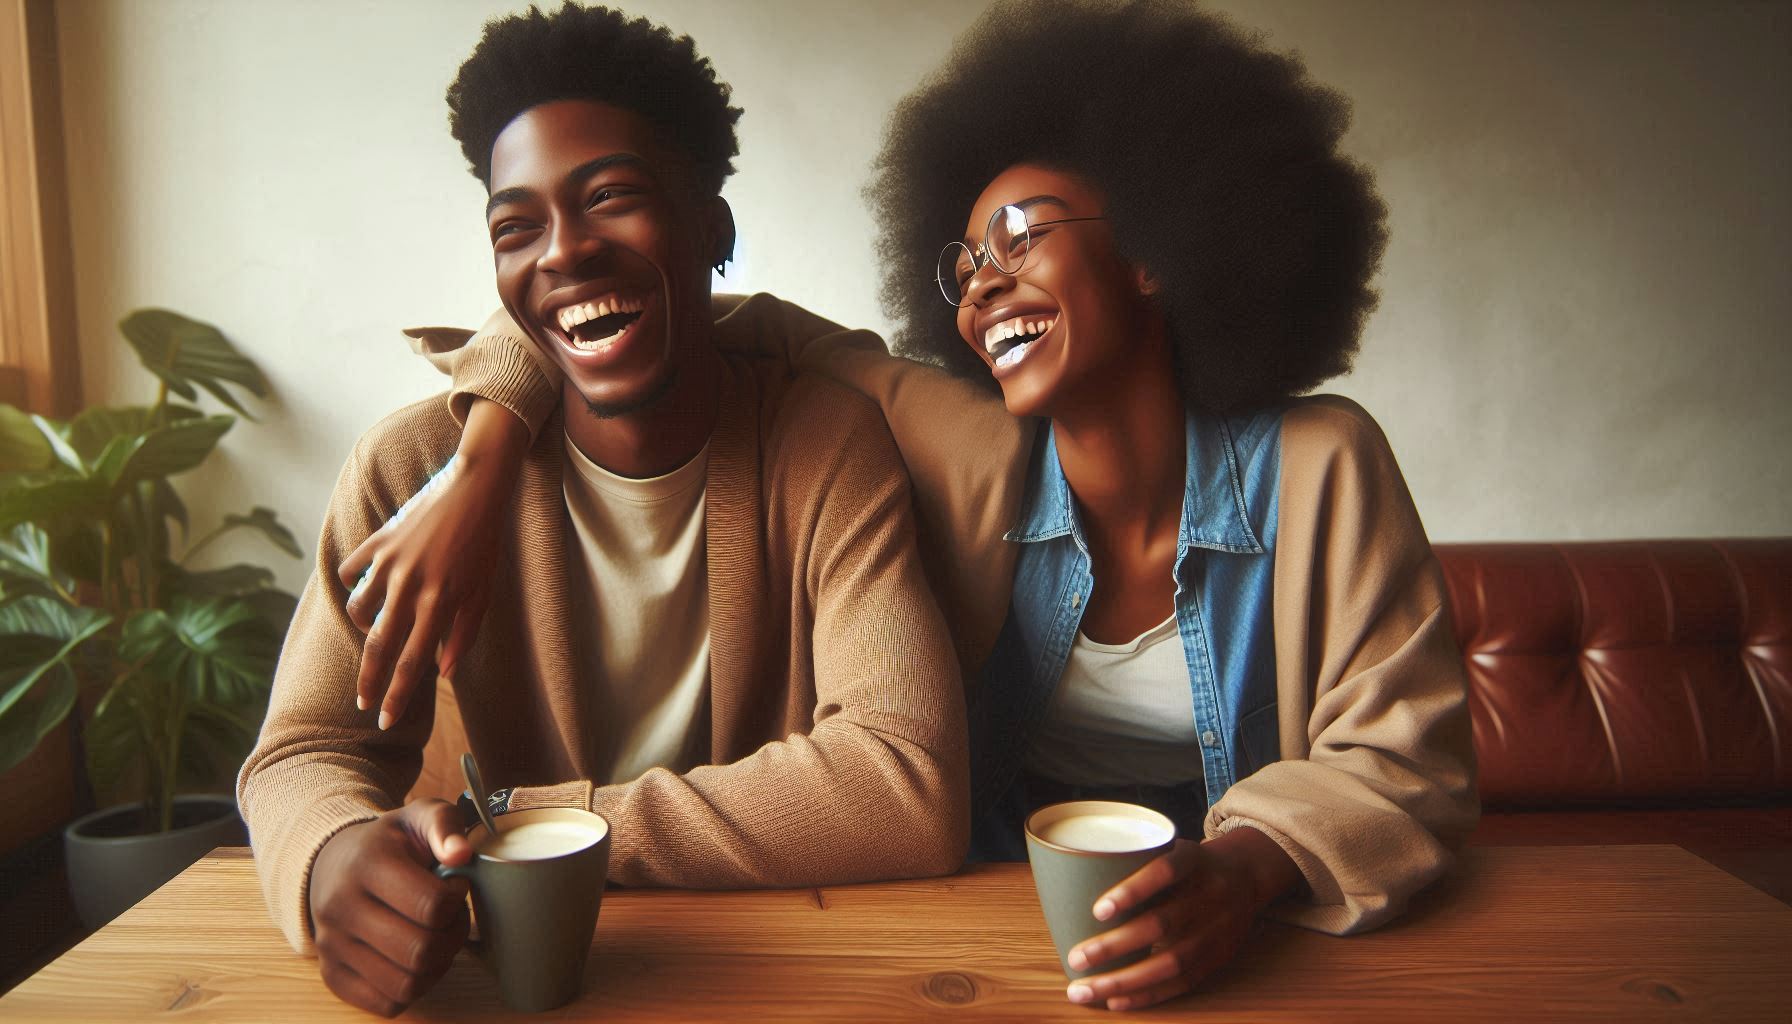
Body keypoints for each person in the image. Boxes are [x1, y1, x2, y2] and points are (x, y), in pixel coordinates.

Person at [347, 0, 1478, 1012]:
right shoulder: (959, 442)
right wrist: (486, 447)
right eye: (965, 261)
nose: (984, 282)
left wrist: (1247, 868)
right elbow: (666, 312)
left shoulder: (1321, 465)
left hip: (1266, 929)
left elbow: (1407, 760)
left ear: (1154, 247)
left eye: (1021, 235)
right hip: (987, 923)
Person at [237, 4, 969, 1017]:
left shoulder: (822, 444)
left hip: (782, 965)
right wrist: (328, 857)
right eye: (516, 227)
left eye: (612, 198)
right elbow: (304, 750)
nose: (564, 253)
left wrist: (540, 824)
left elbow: (904, 781)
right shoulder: (410, 470)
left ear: (712, 229)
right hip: (540, 974)